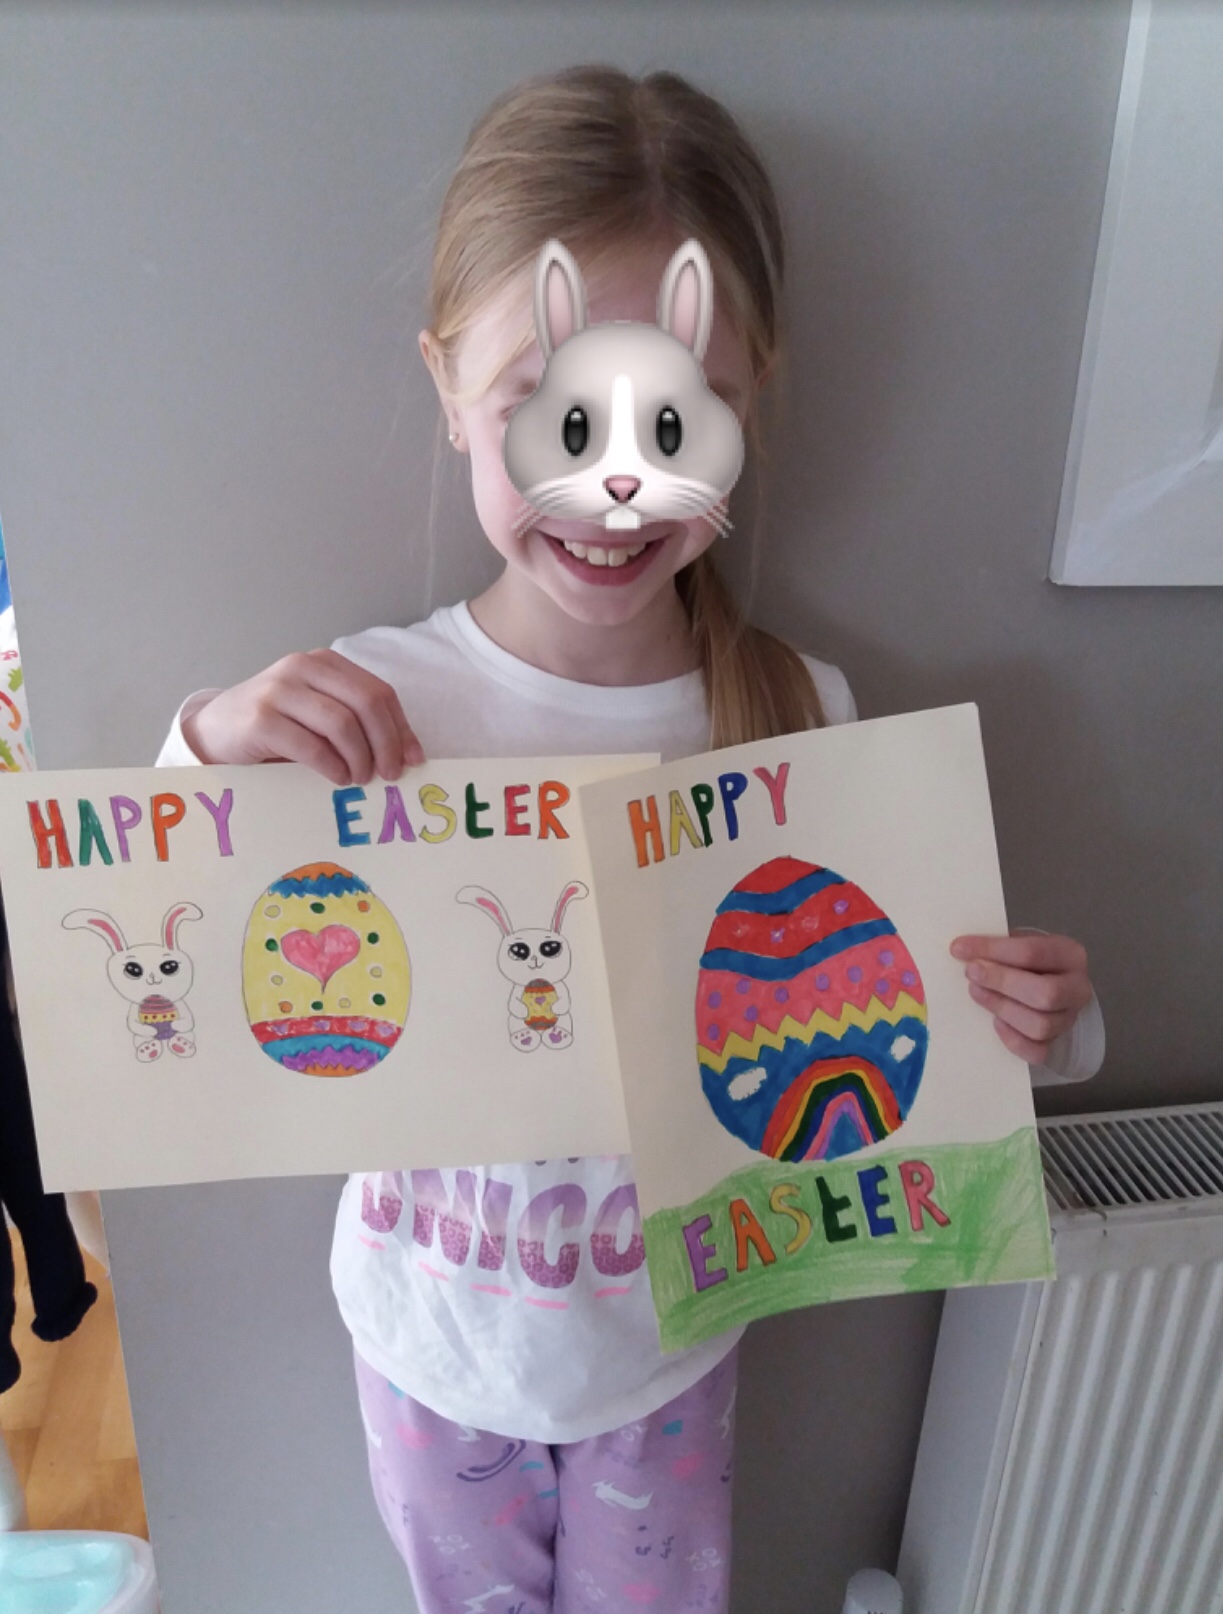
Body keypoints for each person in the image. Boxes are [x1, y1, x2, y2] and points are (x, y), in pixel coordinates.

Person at [156, 65, 1105, 1614]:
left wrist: (1045, 1028)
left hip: (668, 1350)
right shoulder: (373, 702)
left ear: (748, 400)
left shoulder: (797, 715)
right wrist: (207, 738)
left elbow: (913, 1030)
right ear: (448, 388)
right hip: (427, 1343)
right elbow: (160, 959)